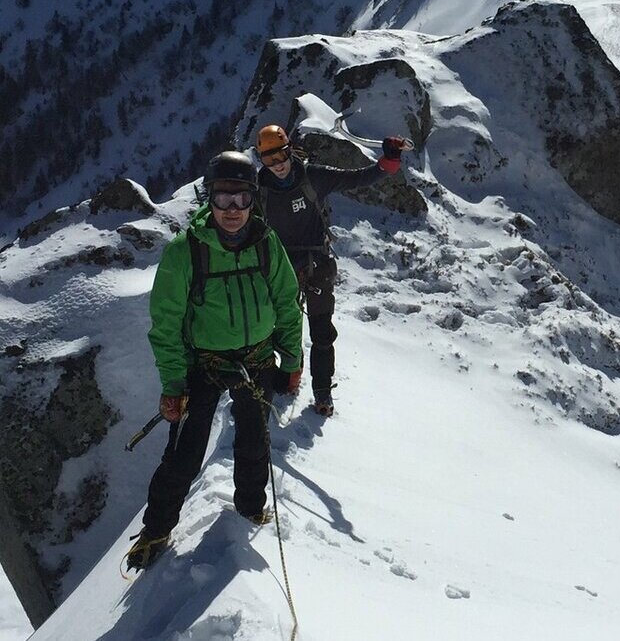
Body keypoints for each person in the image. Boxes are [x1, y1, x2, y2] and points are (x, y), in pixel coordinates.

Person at [125, 151, 303, 570]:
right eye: (223, 199)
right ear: (210, 199)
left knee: (254, 442)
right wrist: (173, 385)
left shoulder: (266, 242)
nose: (233, 211)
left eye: (242, 200)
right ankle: (156, 529)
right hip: (202, 365)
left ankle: (250, 507)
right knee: (185, 454)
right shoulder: (187, 251)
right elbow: (165, 324)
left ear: (253, 200)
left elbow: (286, 303)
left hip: (257, 358)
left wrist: (292, 359)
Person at [253, 123, 409, 417]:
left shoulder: (313, 177)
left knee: (322, 332)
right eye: (270, 160)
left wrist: (389, 160)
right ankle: (290, 376)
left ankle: (322, 392)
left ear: (290, 151)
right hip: (280, 268)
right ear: (261, 161)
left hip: (316, 265)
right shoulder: (258, 191)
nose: (278, 165)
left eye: (282, 156)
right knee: (280, 329)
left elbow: (360, 178)